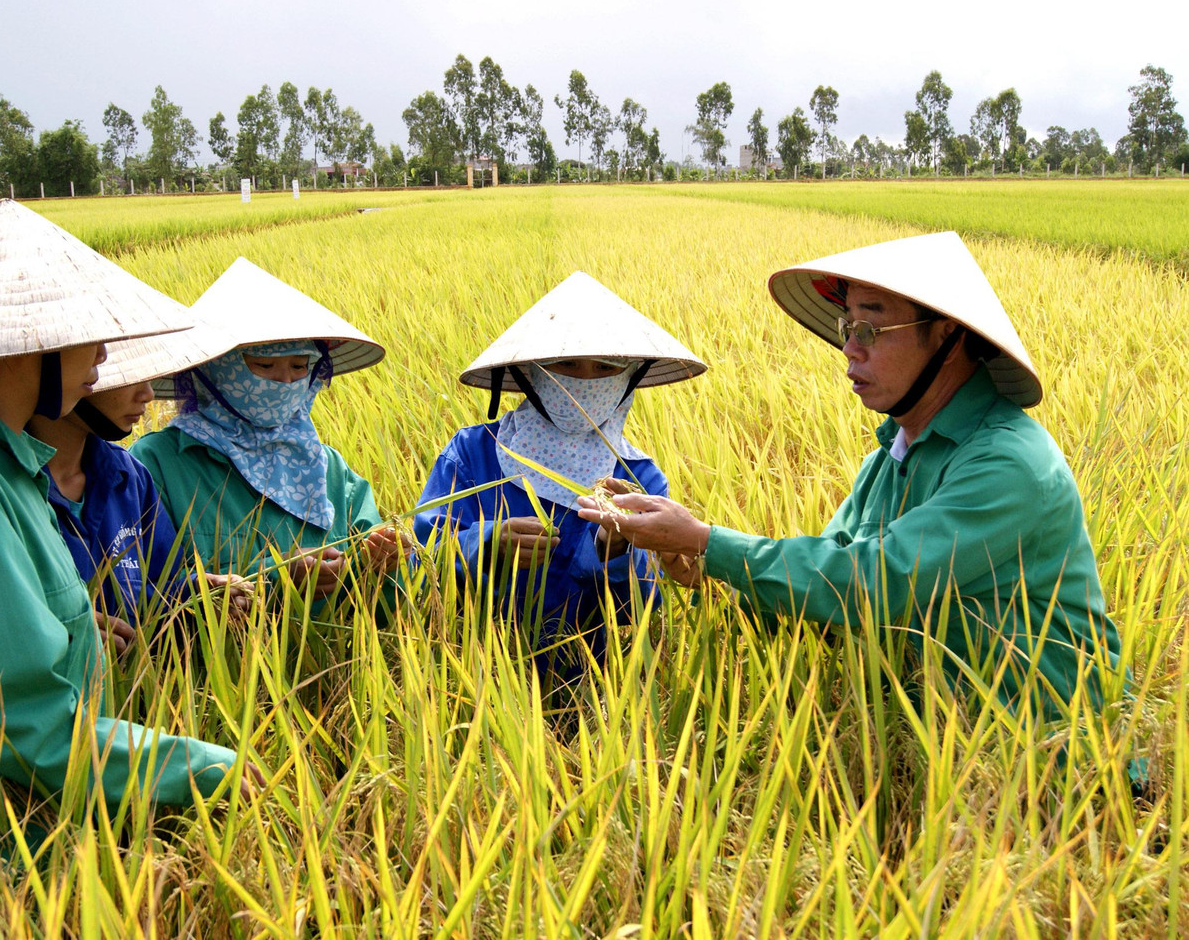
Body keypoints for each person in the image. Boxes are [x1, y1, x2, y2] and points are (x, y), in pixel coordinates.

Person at [0, 200, 259, 888]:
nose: (105, 354)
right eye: (87, 333)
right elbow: (26, 724)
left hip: (38, 846)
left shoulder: (4, 472)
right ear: (26, 345)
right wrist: (211, 767)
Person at [578, 232, 1122, 715]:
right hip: (944, 739)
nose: (849, 349)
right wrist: (697, 565)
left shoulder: (1009, 465)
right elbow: (824, 586)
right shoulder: (889, 460)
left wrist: (705, 540)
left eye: (870, 328)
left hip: (1057, 758)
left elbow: (871, 581)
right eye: (847, 326)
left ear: (948, 336)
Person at [414, 271, 707, 679]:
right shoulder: (472, 454)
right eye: (565, 365)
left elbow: (639, 608)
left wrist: (612, 549)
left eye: (606, 367)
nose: (583, 381)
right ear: (531, 371)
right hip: (474, 675)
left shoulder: (638, 478)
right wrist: (487, 542)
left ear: (630, 378)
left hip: (589, 680)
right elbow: (418, 562)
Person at [130, 258, 404, 610]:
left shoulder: (328, 468)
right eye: (263, 366)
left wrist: (387, 559)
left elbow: (390, 603)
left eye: (298, 366)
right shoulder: (158, 463)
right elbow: (141, 595)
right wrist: (275, 576)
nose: (286, 381)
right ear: (217, 368)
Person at [26, 321, 253, 655]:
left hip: (135, 697)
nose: (148, 394)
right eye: (130, 377)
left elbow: (162, 588)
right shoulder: (9, 485)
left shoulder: (129, 477)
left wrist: (201, 594)